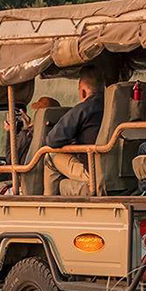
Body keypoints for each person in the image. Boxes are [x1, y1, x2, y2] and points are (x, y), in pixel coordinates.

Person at [43, 65, 105, 195]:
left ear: (82, 91)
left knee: (50, 156)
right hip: (113, 171)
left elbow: (53, 140)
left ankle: (47, 203)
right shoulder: (113, 106)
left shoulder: (83, 109)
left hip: (92, 171)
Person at [5, 96, 61, 164]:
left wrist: (10, 132)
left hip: (27, 172)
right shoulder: (59, 134)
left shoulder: (29, 136)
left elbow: (10, 159)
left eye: (37, 112)